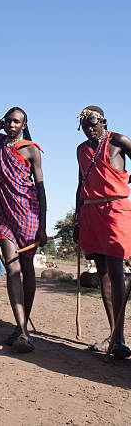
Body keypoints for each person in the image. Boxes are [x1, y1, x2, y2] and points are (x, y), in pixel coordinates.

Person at [0, 107, 47, 353]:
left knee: (27, 269)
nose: (10, 125)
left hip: (28, 213)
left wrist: (42, 225)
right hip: (5, 214)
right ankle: (22, 330)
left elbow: (40, 189)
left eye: (16, 122)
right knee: (12, 269)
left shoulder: (31, 149)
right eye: (7, 121)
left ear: (24, 125)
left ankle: (20, 329)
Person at [74, 105, 131, 359]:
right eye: (85, 126)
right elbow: (81, 183)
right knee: (103, 274)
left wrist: (123, 181)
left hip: (116, 209)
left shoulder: (118, 140)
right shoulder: (81, 150)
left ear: (103, 121)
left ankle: (119, 337)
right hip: (90, 212)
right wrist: (77, 217)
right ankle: (113, 334)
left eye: (93, 124)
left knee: (117, 270)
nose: (89, 129)